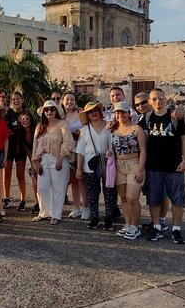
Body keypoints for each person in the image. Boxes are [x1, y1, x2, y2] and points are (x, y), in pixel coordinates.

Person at [139, 88, 185, 244]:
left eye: (160, 99)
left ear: (165, 99)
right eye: (154, 99)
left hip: (174, 166)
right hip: (153, 167)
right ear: (150, 102)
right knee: (153, 199)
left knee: (178, 199)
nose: (158, 102)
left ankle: (176, 229)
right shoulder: (147, 118)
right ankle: (156, 227)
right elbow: (131, 130)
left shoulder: (175, 117)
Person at [31, 100, 75, 225]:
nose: (49, 111)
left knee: (58, 188)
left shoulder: (62, 124)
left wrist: (61, 158)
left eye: (52, 109)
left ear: (56, 111)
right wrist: (35, 161)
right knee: (42, 188)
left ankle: (56, 215)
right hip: (43, 160)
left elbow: (68, 141)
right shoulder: (40, 127)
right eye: (46, 109)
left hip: (58, 159)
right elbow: (35, 145)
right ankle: (44, 213)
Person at [75, 101, 116, 231]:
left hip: (107, 164)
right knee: (93, 193)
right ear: (87, 115)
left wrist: (111, 152)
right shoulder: (84, 130)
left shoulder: (109, 127)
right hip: (89, 165)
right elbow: (80, 151)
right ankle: (95, 217)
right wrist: (78, 169)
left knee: (109, 192)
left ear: (100, 112)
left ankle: (109, 218)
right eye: (90, 112)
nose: (93, 113)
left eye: (95, 110)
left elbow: (113, 144)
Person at [134, 92, 171, 232]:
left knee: (163, 193)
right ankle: (155, 221)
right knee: (152, 193)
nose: (140, 106)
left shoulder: (163, 115)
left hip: (163, 161)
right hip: (147, 162)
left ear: (149, 101)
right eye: (137, 104)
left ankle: (162, 220)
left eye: (143, 102)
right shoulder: (141, 120)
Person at [111, 101, 147, 240]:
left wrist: (140, 169)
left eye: (123, 112)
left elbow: (143, 151)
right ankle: (127, 224)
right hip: (119, 166)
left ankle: (135, 226)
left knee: (132, 198)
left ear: (129, 113)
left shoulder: (136, 129)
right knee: (124, 198)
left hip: (134, 164)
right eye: (117, 112)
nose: (120, 115)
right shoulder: (113, 129)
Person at [62, 92, 89, 220]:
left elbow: (87, 129)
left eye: (72, 99)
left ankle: (86, 207)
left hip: (80, 149)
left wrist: (78, 134)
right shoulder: (60, 116)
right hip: (67, 151)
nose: (69, 102)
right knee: (73, 181)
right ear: (62, 101)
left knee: (81, 179)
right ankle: (76, 207)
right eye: (67, 99)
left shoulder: (80, 114)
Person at [3, 91, 30, 210]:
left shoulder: (26, 114)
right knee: (6, 173)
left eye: (18, 98)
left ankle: (23, 200)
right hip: (8, 147)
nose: (16, 101)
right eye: (13, 99)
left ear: (22, 99)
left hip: (21, 147)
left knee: (20, 175)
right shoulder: (8, 113)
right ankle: (7, 197)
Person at [17, 110, 39, 214]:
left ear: (31, 121)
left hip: (41, 154)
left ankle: (43, 202)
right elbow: (28, 149)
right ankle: (37, 202)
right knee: (34, 176)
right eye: (22, 119)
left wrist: (37, 162)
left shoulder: (36, 130)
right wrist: (32, 163)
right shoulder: (21, 132)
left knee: (41, 179)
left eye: (27, 119)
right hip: (32, 154)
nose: (25, 121)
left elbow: (38, 147)